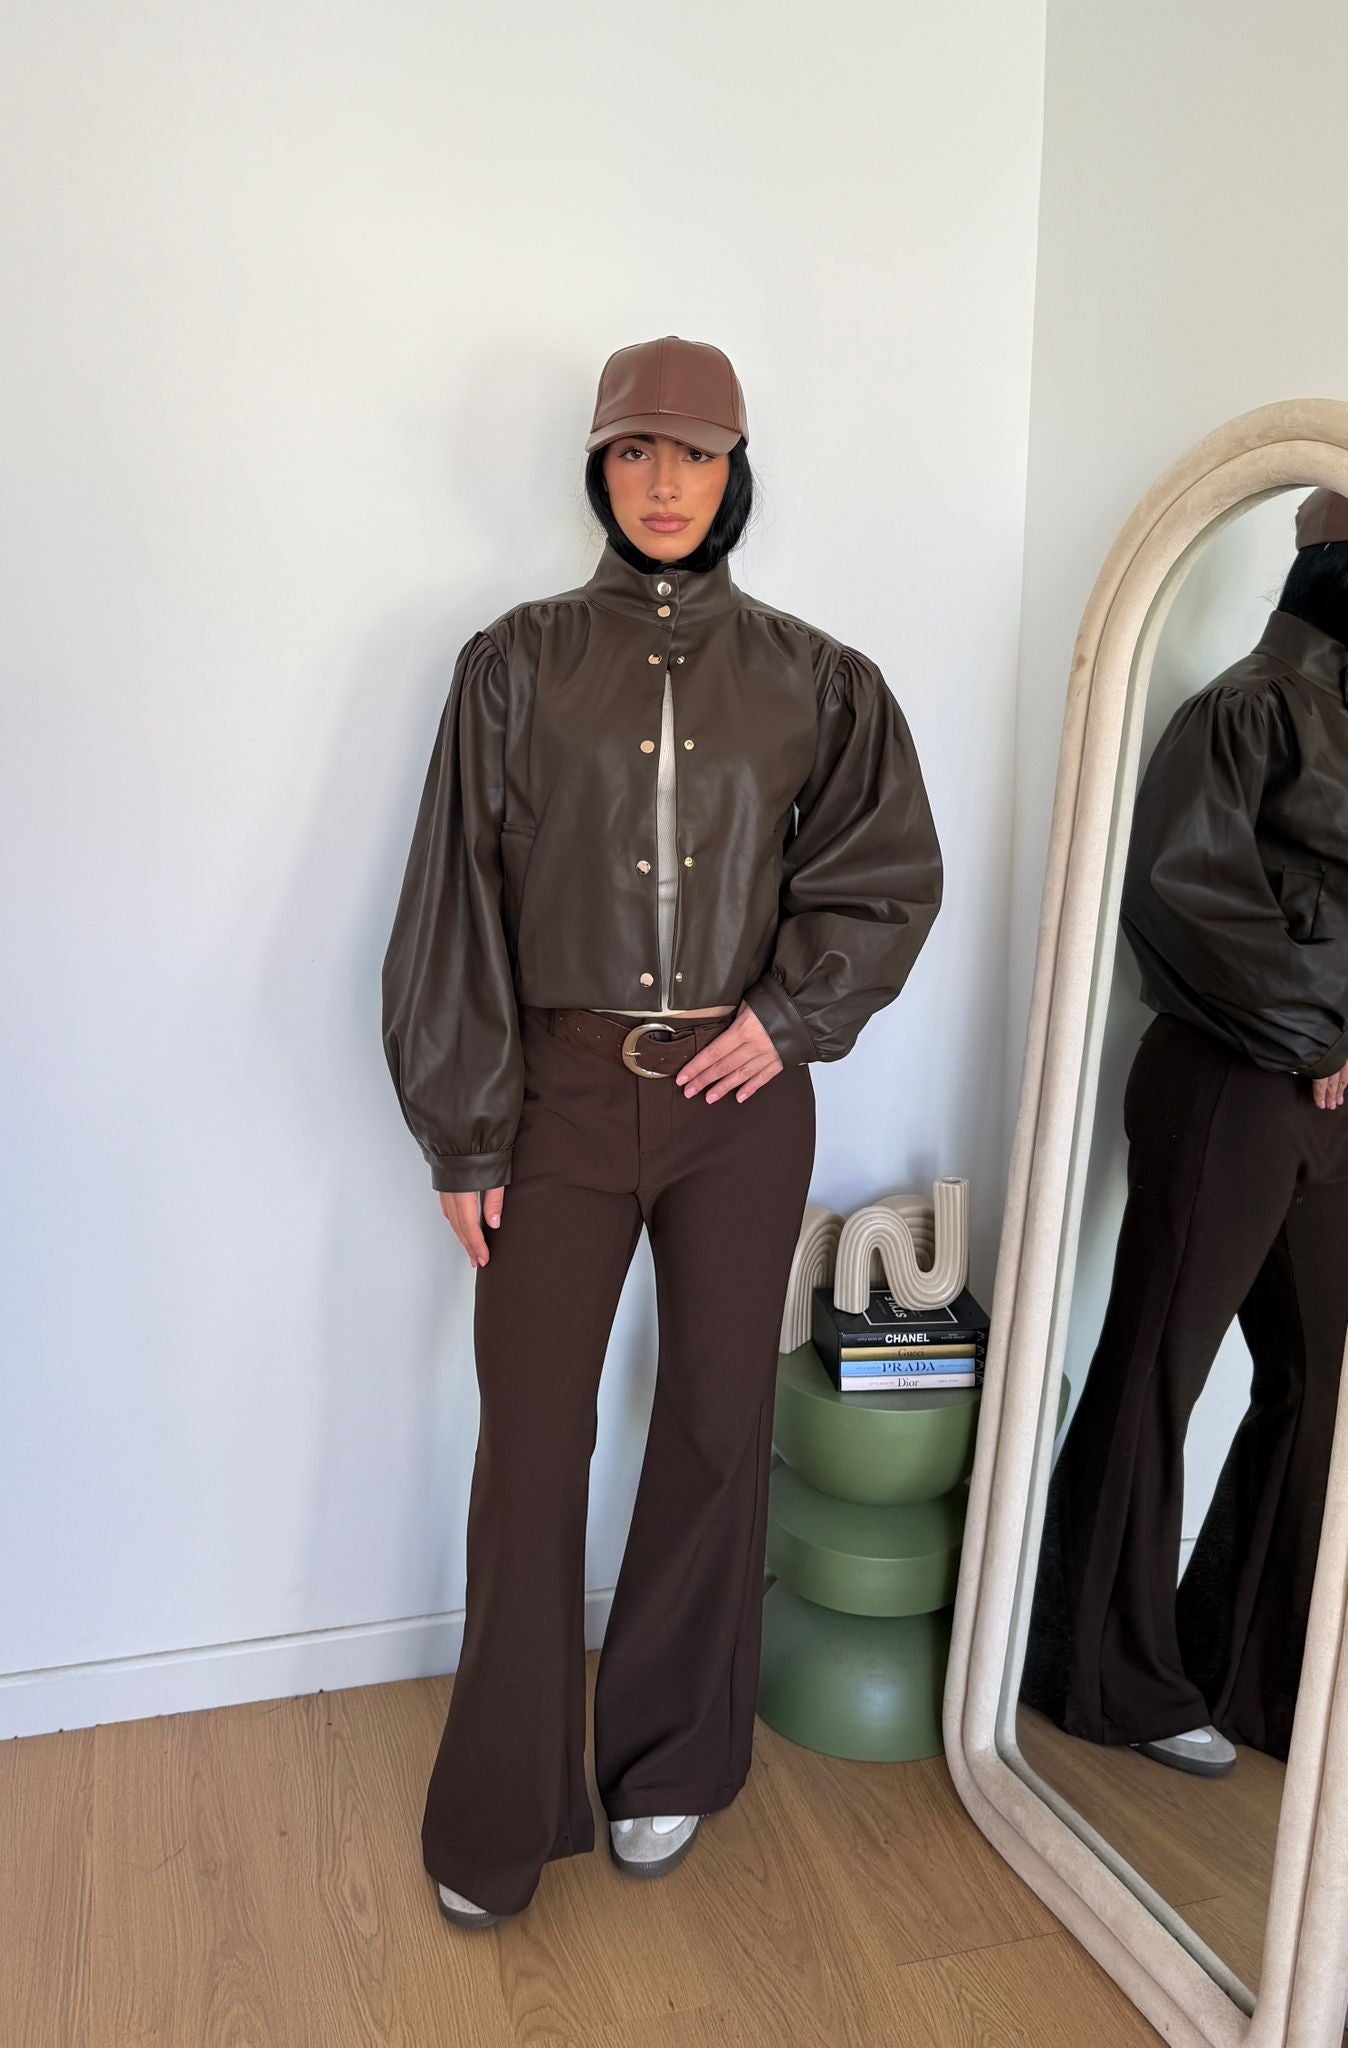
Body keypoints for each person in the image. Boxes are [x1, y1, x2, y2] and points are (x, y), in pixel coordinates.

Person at [380, 334, 943, 1926]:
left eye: (693, 452)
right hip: (556, 1099)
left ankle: (670, 1759)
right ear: (599, 467)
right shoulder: (515, 663)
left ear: (735, 469)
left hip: (738, 1108)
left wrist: (789, 1017)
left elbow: (883, 875)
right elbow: (452, 902)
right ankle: (498, 1815)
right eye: (635, 451)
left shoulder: (819, 678)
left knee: (712, 1420)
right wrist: (465, 1131)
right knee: (531, 1443)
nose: (664, 482)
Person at [1020, 486, 1348, 1774]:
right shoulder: (1244, 708)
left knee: (1317, 1381)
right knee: (1161, 1359)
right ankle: (1099, 1675)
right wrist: (1320, 1035)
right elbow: (1178, 896)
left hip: (1329, 1094)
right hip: (1234, 1080)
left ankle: (1254, 1670)